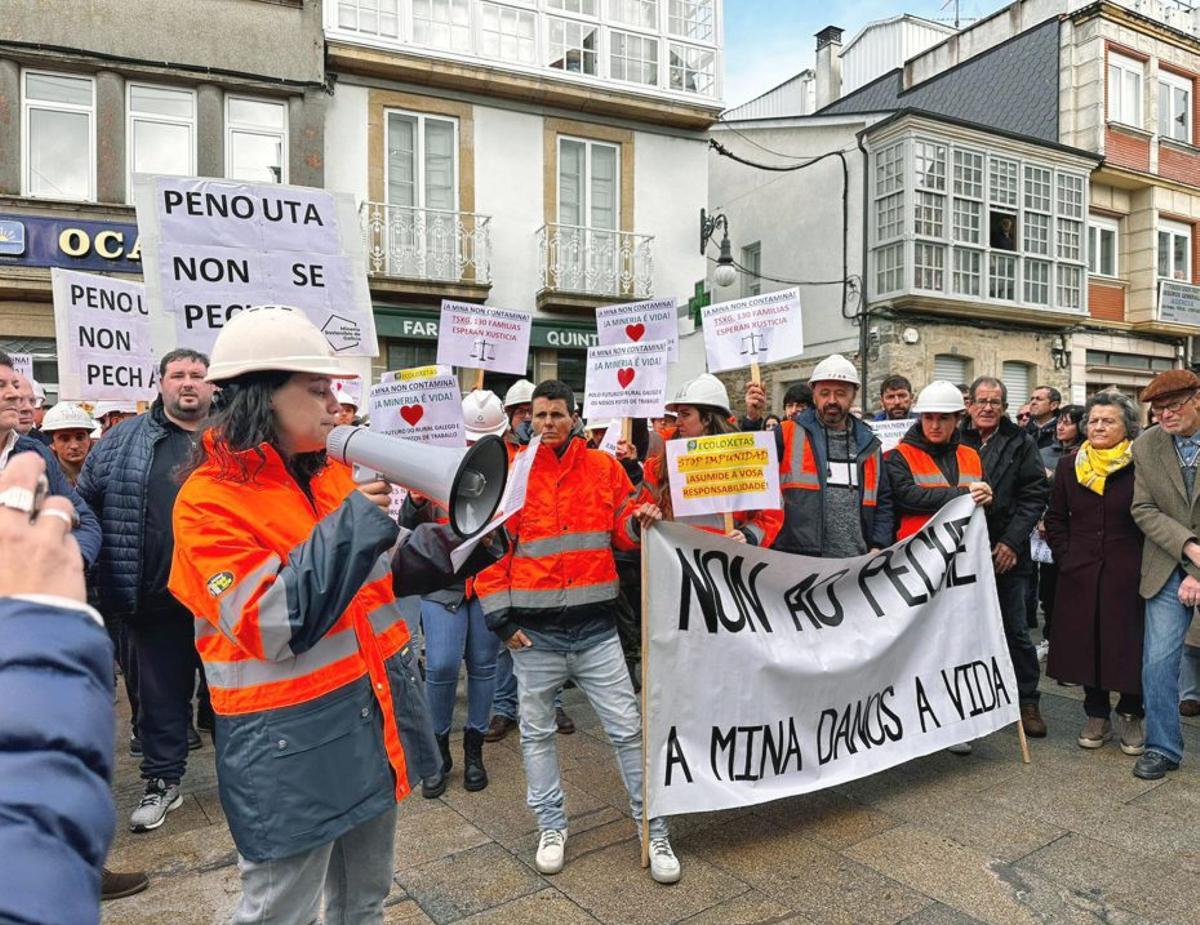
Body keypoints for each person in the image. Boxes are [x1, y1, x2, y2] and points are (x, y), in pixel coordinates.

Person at [168, 306, 502, 922]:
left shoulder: (327, 478)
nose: (334, 402)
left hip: (367, 716)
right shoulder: (207, 500)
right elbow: (271, 624)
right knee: (278, 912)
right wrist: (355, 524)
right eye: (317, 389)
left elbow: (383, 571)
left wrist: (465, 543)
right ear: (260, 395)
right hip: (289, 746)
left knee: (364, 902)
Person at [474, 379, 681, 884]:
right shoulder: (511, 473)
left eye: (557, 415)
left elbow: (623, 528)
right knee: (537, 736)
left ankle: (652, 828)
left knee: (628, 731)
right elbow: (489, 548)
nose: (547, 424)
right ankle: (550, 826)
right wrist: (500, 620)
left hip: (595, 630)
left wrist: (642, 520)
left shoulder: (603, 466)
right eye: (539, 415)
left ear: (574, 417)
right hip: (534, 636)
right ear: (528, 419)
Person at [78, 349, 217, 832]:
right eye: (177, 375)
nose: (188, 383)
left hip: (226, 598)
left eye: (197, 376)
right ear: (159, 384)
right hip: (153, 598)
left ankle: (251, 774)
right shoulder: (121, 441)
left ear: (212, 385)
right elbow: (87, 508)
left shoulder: (236, 436)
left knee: (232, 696)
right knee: (160, 700)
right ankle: (163, 782)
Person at [0, 451, 135, 924]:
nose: (15, 390)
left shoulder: (31, 453)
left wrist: (61, 565)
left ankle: (87, 861)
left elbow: (83, 518)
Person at [400, 392, 505, 797]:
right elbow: (408, 527)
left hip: (486, 584)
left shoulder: (505, 463)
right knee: (441, 666)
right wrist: (414, 502)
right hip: (442, 584)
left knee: (484, 666)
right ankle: (438, 750)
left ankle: (474, 750)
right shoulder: (434, 459)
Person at [885, 380, 993, 755]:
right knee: (922, 642)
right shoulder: (899, 456)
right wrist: (965, 494)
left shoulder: (970, 455)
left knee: (958, 642)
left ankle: (954, 720)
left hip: (960, 563)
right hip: (918, 561)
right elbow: (908, 496)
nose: (934, 425)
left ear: (957, 419)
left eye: (943, 419)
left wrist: (984, 495)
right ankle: (916, 716)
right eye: (929, 418)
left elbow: (976, 501)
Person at [1044, 392, 1145, 755]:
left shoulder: (1141, 463)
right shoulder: (1072, 465)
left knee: (1128, 642)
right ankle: (1096, 713)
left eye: (1109, 420)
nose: (1099, 426)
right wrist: (1066, 555)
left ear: (1127, 427)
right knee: (1087, 642)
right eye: (1094, 420)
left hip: (1128, 568)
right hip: (1081, 568)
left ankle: (1132, 713)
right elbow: (1055, 517)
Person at [960, 376, 1050, 738]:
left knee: (1015, 630)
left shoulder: (1020, 442)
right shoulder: (955, 438)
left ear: (1005, 407)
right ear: (969, 405)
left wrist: (1012, 543)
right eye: (981, 400)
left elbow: (1034, 495)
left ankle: (1027, 699)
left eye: (995, 402)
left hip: (1006, 554)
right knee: (963, 629)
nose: (987, 408)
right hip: (962, 553)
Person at [1128, 369, 1200, 779]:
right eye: (1157, 410)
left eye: (1174, 406)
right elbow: (1143, 509)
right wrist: (1189, 548)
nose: (1165, 416)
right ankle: (1162, 747)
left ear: (1197, 400)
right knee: (1157, 662)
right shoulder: (1146, 445)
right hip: (1168, 563)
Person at [767, 354, 894, 557]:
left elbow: (883, 501)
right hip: (798, 561)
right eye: (825, 393)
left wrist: (879, 545)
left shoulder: (870, 444)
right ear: (814, 394)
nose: (832, 401)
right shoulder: (786, 434)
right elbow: (754, 480)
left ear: (853, 395)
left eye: (841, 393)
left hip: (855, 564)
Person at [632, 374, 782, 546]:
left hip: (727, 563)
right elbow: (639, 507)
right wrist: (643, 514)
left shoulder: (746, 459)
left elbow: (771, 513)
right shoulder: (659, 466)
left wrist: (748, 536)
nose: (678, 422)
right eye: (677, 415)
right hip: (678, 562)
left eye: (685, 415)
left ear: (707, 419)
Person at [0, 353, 101, 566]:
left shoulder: (35, 454)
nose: (13, 395)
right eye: (1, 385)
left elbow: (83, 520)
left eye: (14, 385)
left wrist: (69, 563)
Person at [1033, 404, 1085, 652]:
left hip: (1076, 534)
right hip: (1047, 534)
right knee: (1049, 591)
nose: (1061, 427)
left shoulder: (1087, 455)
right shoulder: (1044, 453)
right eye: (1060, 422)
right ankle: (1050, 638)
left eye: (1069, 422)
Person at [42, 402, 97, 486]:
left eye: (80, 438)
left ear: (89, 439)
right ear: (52, 444)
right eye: (65, 439)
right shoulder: (43, 474)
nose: (74, 446)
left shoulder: (104, 467)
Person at [741, 381, 811, 430]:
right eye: (790, 405)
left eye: (800, 406)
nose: (793, 411)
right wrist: (753, 419)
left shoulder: (818, 435)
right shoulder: (778, 435)